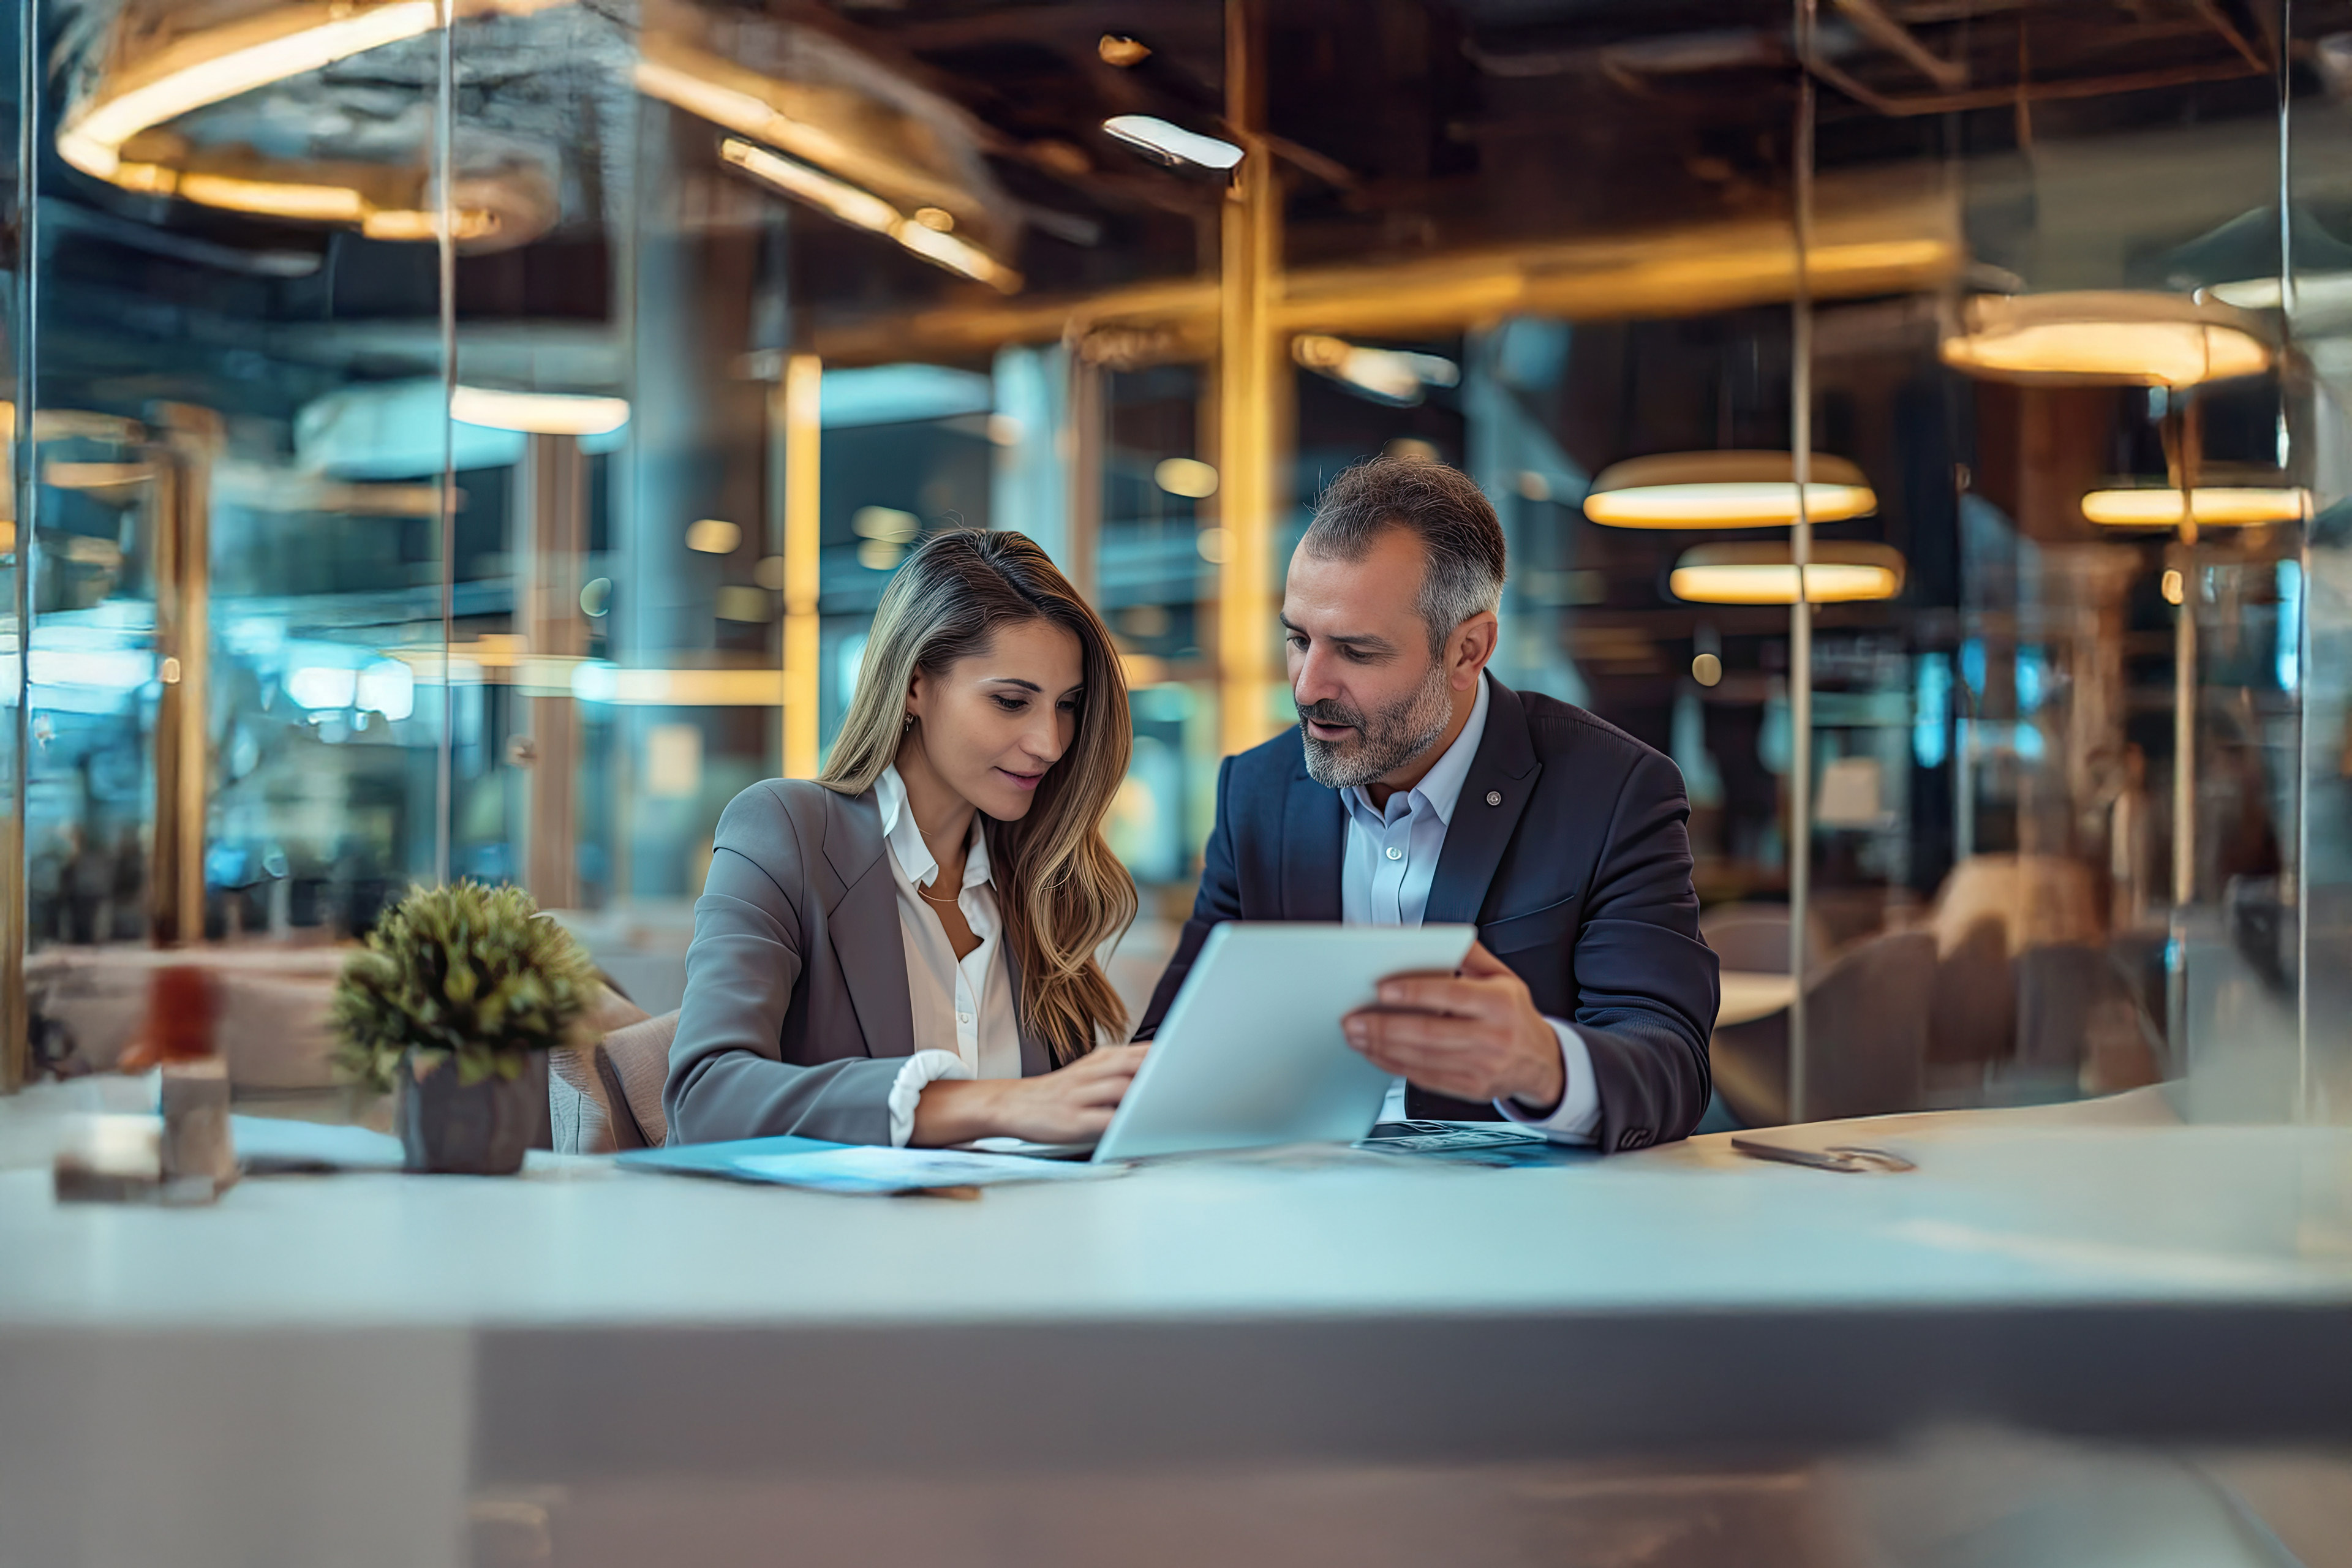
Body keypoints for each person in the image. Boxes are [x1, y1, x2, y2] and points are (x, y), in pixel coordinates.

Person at [1138, 456, 1719, 1152]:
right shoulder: (1257, 793)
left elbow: (1670, 1066)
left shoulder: (1613, 791)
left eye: (1355, 651)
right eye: (1297, 639)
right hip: (1295, 1208)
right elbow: (1170, 1048)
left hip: (1510, 1225)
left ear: (1468, 650)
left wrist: (1543, 1063)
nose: (1307, 685)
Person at [664, 529, 1146, 1147]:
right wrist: (989, 1104)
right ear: (915, 685)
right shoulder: (787, 830)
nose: (1049, 743)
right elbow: (704, 1095)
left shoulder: (1041, 879)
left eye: (1067, 705)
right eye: (1010, 701)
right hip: (825, 1240)